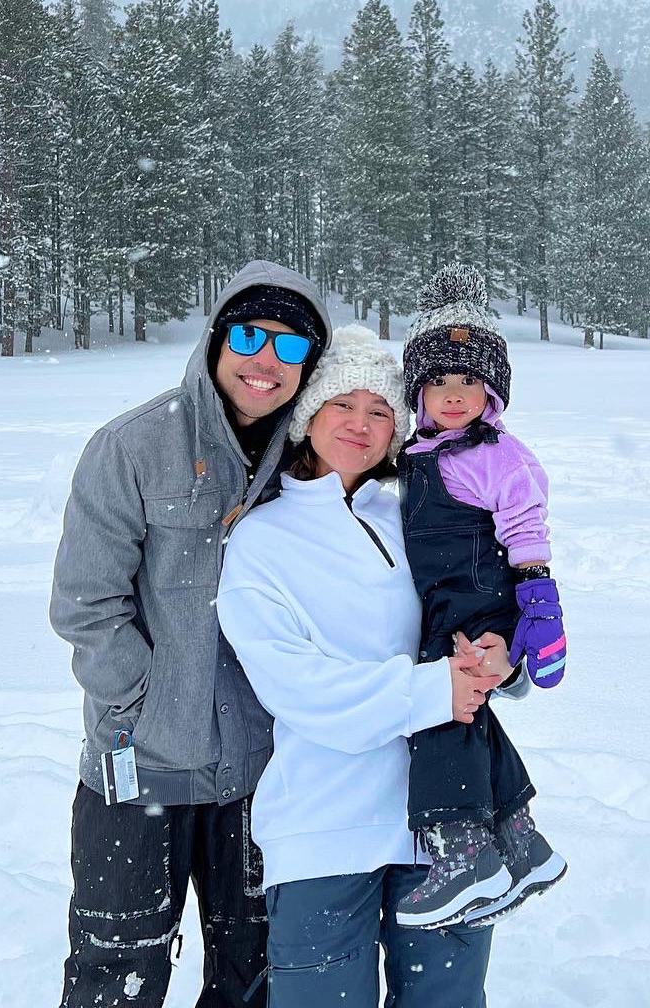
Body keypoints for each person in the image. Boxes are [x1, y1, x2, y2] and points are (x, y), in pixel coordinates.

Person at [50, 261, 330, 1008]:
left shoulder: (310, 465)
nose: (266, 361)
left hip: (263, 778)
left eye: (291, 346)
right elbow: (86, 604)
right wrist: (144, 708)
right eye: (249, 336)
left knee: (255, 978)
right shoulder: (132, 446)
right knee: (116, 977)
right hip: (138, 773)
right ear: (215, 340)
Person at [216, 324, 508, 1007]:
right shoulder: (260, 540)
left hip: (441, 824)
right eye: (342, 404)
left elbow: (479, 606)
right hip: (323, 830)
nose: (360, 423)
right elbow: (296, 686)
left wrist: (499, 653)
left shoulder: (418, 517)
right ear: (308, 417)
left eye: (380, 410)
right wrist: (434, 690)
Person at [393, 265, 568, 929]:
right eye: (438, 381)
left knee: (442, 707)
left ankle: (464, 846)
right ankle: (520, 838)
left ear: (491, 390)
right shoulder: (417, 452)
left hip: (477, 599)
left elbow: (526, 527)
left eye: (468, 381)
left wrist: (538, 601)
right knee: (469, 713)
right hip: (445, 601)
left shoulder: (498, 454)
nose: (453, 394)